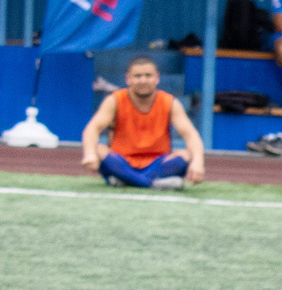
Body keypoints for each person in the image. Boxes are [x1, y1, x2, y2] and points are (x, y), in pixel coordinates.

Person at [79, 56, 205, 191]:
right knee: (99, 149)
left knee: (186, 155)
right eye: (137, 76)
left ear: (157, 78)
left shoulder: (169, 102)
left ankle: (126, 180)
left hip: (157, 163)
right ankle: (152, 183)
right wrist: (90, 153)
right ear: (128, 79)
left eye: (148, 75)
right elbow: (92, 128)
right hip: (122, 161)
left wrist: (198, 162)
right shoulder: (115, 100)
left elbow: (190, 134)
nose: (143, 80)